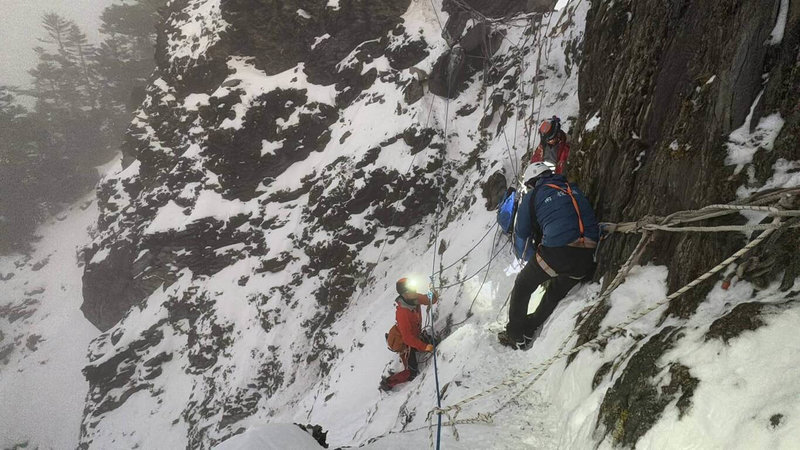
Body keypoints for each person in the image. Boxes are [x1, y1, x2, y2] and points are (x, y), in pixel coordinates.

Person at [498, 162, 599, 350]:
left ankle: (515, 334)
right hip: (587, 256)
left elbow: (522, 230)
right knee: (555, 292)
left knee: (523, 285)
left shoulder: (534, 195)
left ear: (533, 181)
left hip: (557, 251)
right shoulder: (572, 188)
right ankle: (532, 325)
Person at [381, 278, 439, 390]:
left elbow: (428, 299)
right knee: (412, 373)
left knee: (434, 342)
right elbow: (407, 338)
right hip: (404, 343)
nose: (414, 291)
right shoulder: (402, 313)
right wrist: (424, 346)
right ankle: (388, 383)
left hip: (414, 335)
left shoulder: (414, 298)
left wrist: (433, 296)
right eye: (411, 290)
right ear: (405, 294)